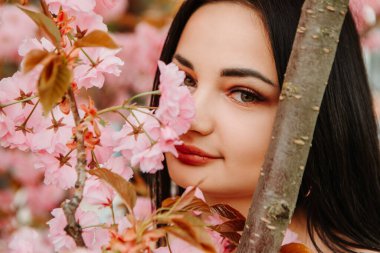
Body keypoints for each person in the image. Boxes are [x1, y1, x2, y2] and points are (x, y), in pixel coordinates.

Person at [149, 0, 380, 252]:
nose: (192, 119)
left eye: (244, 94)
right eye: (185, 79)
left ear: (320, 117)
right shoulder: (143, 237)